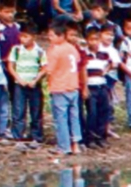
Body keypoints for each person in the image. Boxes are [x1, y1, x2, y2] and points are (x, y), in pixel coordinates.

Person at [45, 19, 80, 154]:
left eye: (52, 36)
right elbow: (76, 61)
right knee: (74, 117)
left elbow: (49, 70)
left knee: (61, 118)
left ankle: (63, 147)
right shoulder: (72, 48)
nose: (49, 38)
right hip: (73, 86)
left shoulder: (55, 50)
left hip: (59, 87)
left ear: (61, 36)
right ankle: (75, 144)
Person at [7, 19, 43, 145]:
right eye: (21, 36)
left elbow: (44, 68)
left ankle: (36, 137)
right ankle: (18, 136)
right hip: (20, 85)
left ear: (33, 37)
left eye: (26, 36)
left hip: (34, 85)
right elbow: (11, 66)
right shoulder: (16, 50)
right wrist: (18, 79)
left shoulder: (39, 51)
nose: (22, 39)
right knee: (18, 111)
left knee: (36, 111)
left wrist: (35, 80)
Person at [81, 24, 113, 148]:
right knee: (92, 113)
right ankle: (90, 138)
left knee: (103, 111)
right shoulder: (84, 54)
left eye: (96, 39)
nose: (94, 42)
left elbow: (111, 64)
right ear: (87, 40)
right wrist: (85, 88)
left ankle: (101, 137)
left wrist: (105, 71)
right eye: (91, 39)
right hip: (91, 87)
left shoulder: (103, 54)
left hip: (102, 86)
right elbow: (82, 70)